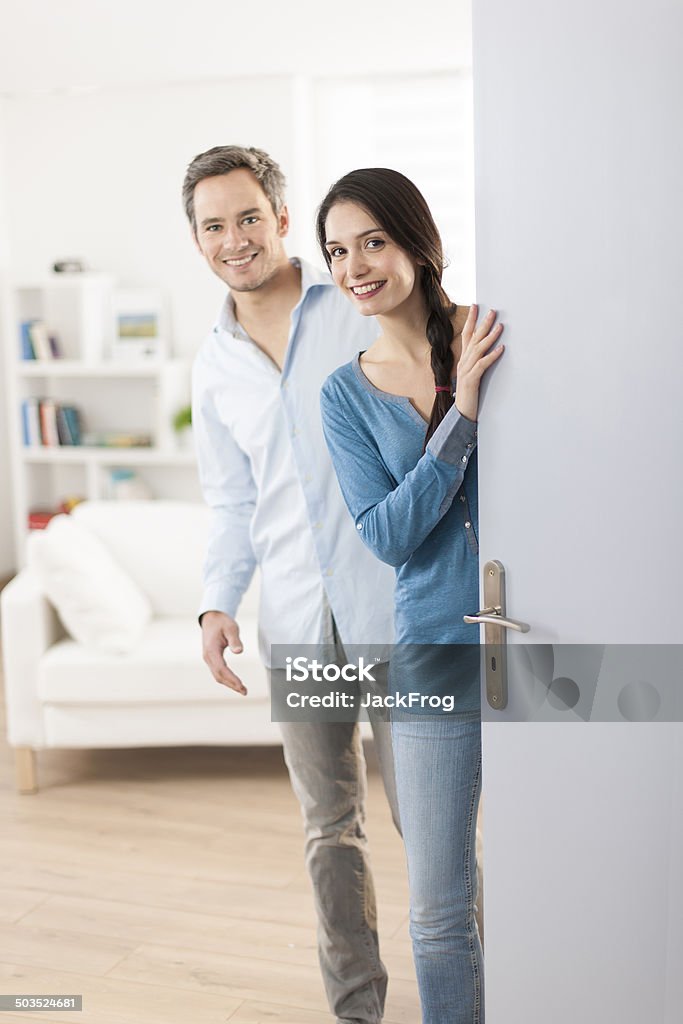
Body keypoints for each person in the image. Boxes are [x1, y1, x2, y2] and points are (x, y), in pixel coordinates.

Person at [183, 146, 399, 1024]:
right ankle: (358, 1011)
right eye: (212, 226)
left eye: (246, 218)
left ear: (279, 218)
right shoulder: (214, 366)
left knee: (430, 833)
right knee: (330, 831)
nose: (233, 240)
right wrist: (215, 602)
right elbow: (232, 502)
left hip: (392, 605)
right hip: (299, 626)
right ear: (195, 241)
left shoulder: (355, 306)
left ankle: (476, 998)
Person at [317, 167, 505, 1024]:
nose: (355, 265)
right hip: (432, 652)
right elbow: (388, 537)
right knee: (438, 906)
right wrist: (459, 415)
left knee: (556, 880)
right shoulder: (343, 394)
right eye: (336, 250)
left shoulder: (489, 334)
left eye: (373, 241)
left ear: (416, 241)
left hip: (536, 635)